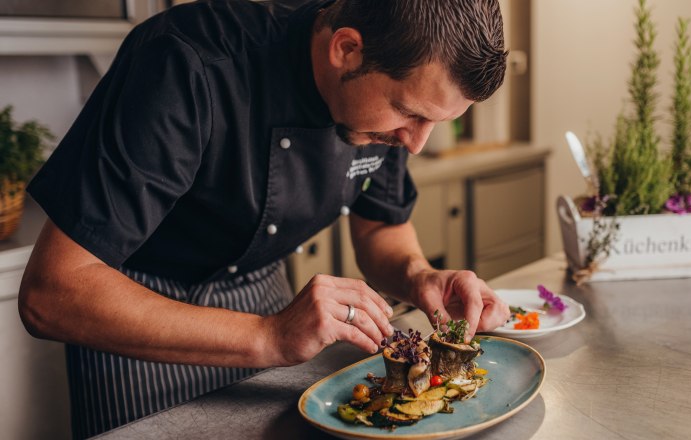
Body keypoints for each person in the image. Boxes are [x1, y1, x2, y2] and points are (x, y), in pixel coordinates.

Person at [18, 0, 510, 437]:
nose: (417, 142)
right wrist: (267, 336)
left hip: (267, 300)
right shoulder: (184, 61)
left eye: (434, 123)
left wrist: (417, 274)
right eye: (409, 113)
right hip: (136, 314)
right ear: (347, 48)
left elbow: (381, 226)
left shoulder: (386, 109)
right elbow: (52, 293)